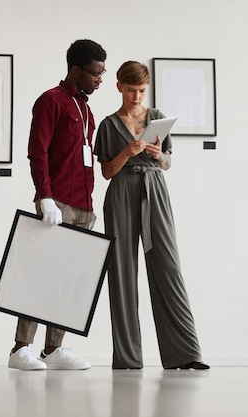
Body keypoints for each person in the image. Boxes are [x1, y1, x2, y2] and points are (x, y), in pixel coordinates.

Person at [93, 61, 209, 370]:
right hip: (121, 193)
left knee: (167, 267)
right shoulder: (107, 124)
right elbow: (106, 172)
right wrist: (127, 153)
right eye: (131, 90)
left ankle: (185, 355)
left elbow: (168, 164)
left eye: (142, 91)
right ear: (119, 87)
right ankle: (128, 359)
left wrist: (161, 157)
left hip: (154, 189)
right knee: (122, 272)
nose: (136, 97)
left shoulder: (157, 118)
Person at [8, 39, 107, 371]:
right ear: (76, 70)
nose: (99, 79)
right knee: (41, 275)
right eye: (95, 73)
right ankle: (21, 349)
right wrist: (45, 195)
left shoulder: (86, 108)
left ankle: (53, 349)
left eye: (102, 73)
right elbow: (38, 151)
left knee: (67, 279)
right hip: (57, 203)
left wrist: (89, 206)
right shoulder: (50, 101)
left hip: (83, 207)